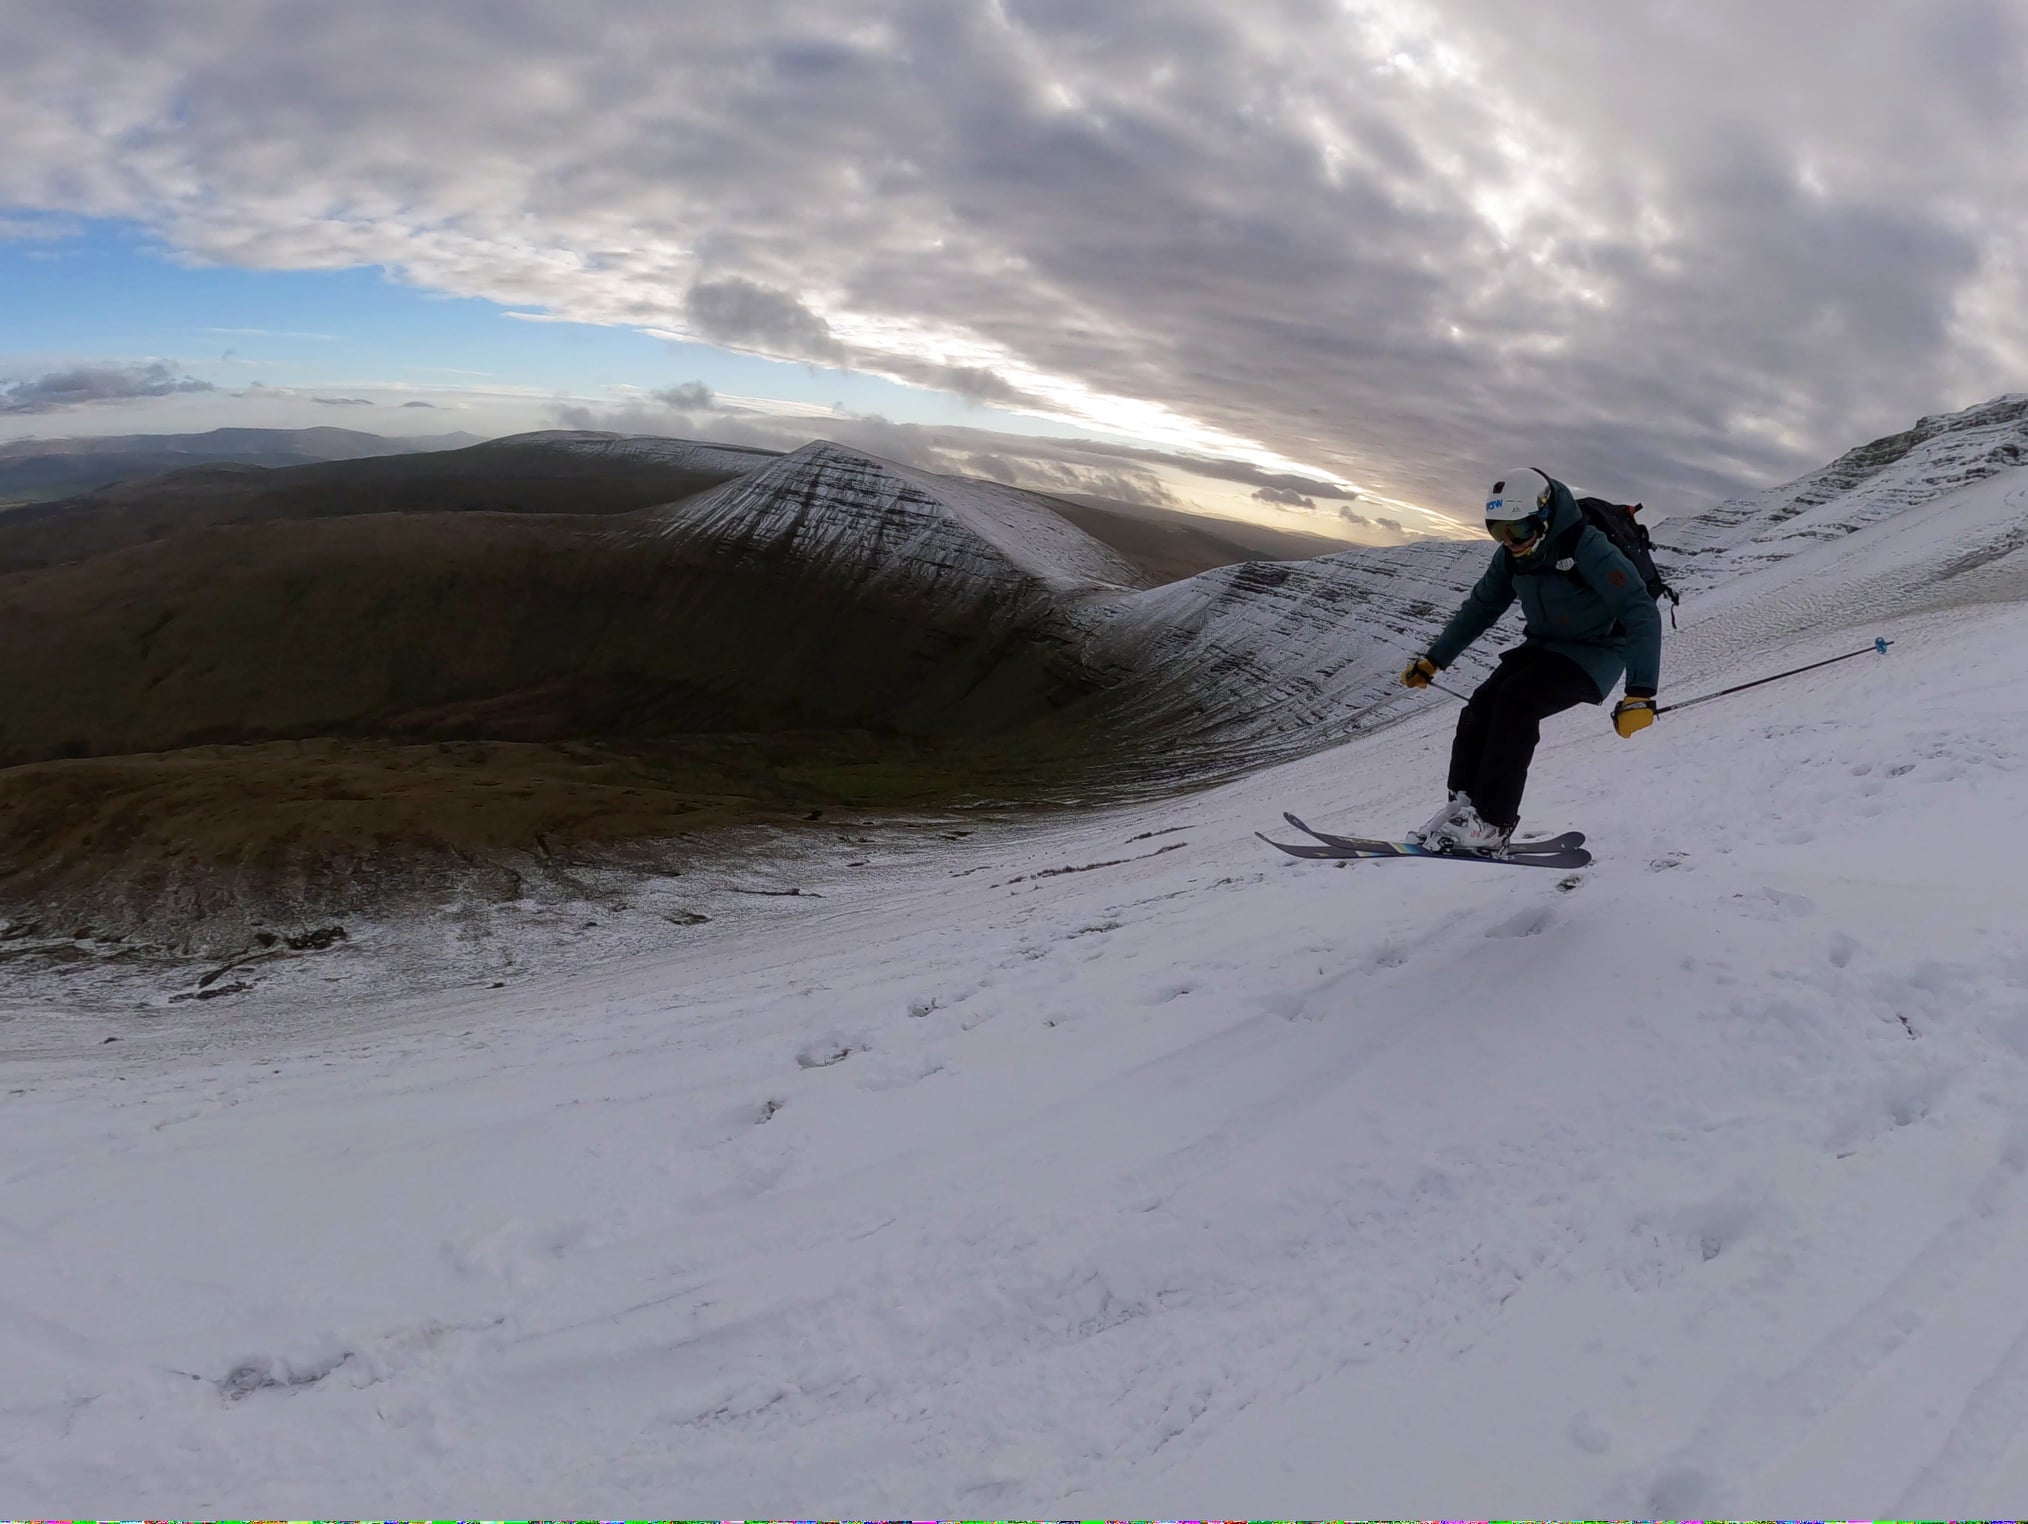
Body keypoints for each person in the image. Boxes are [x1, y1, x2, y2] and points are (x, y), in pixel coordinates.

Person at [1399, 465, 1662, 853]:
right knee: (1479, 707)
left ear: (1543, 516)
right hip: (1546, 646)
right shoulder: (1513, 556)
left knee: (1517, 702)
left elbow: (1640, 611)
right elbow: (1481, 607)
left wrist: (1639, 693)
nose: (1509, 542)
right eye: (1497, 531)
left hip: (1596, 654)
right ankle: (1464, 810)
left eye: (1517, 530)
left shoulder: (1587, 547)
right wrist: (1435, 659)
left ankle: (1493, 823)